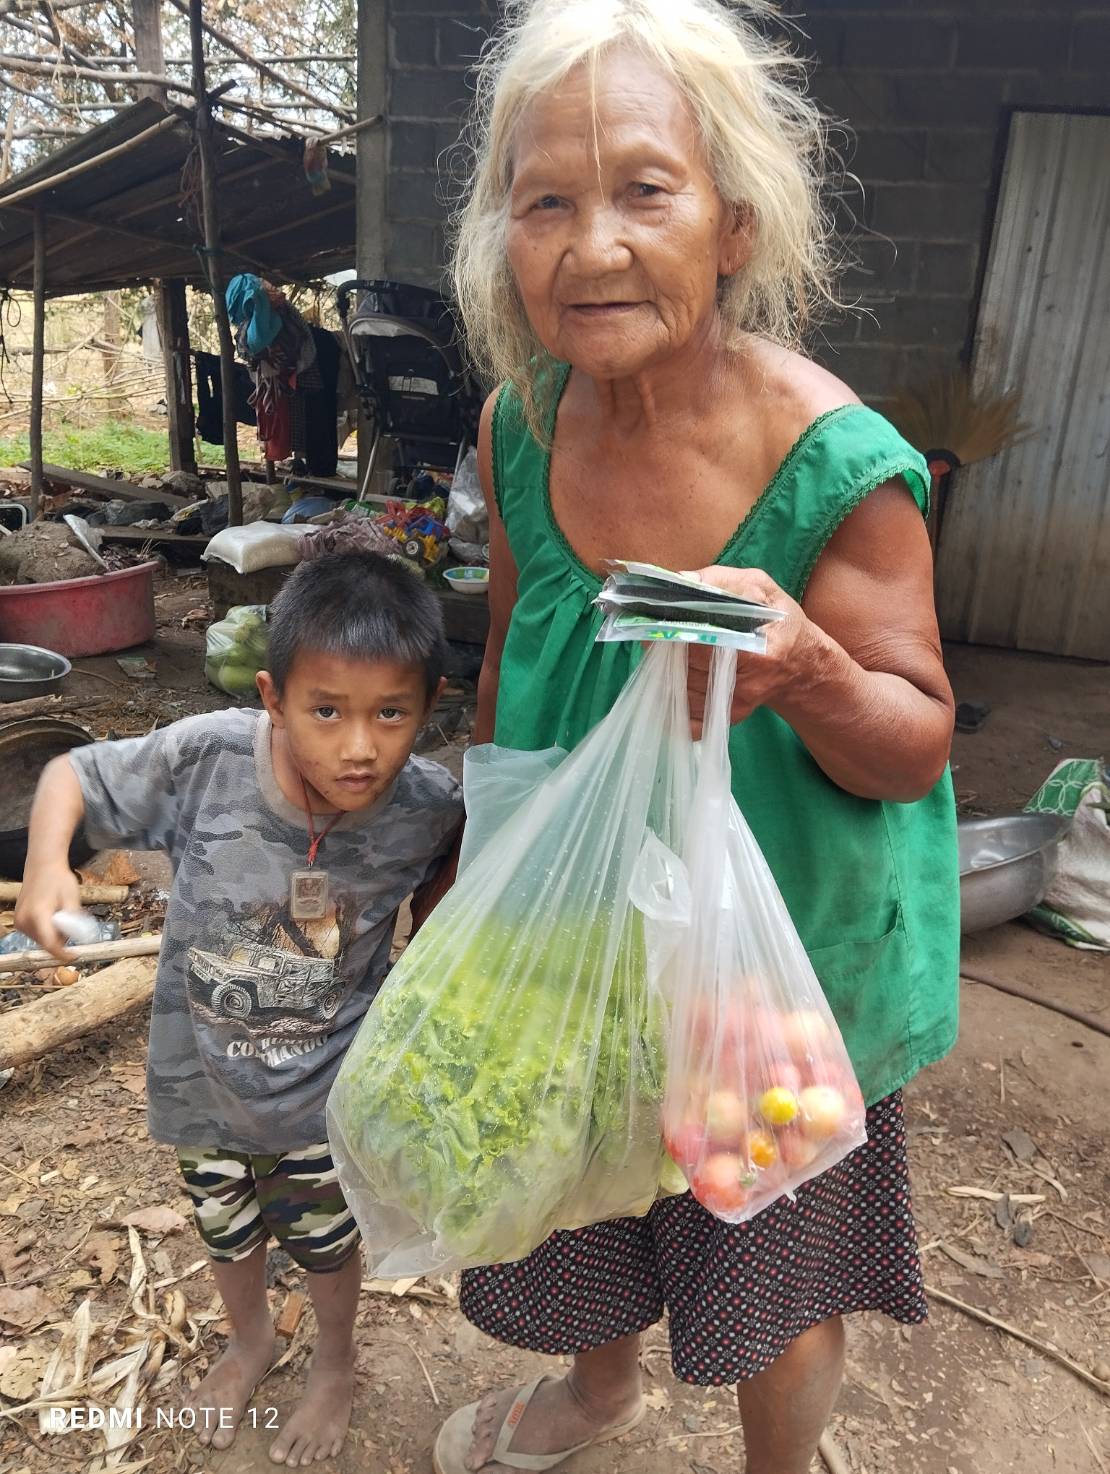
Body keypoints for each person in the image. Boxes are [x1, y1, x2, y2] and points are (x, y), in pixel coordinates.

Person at [432, 2, 959, 1472]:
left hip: (771, 961)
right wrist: (479, 871)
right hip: (579, 926)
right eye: (545, 200)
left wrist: (798, 665)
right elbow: (512, 648)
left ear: (731, 223)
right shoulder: (518, 425)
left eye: (641, 191)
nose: (590, 245)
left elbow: (912, 743)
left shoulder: (834, 460)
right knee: (577, 1191)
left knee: (767, 1264)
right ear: (502, 234)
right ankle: (598, 1391)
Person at [16, 551, 462, 1467]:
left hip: (324, 1097)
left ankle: (334, 1362)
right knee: (223, 1223)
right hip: (201, 1083)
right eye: (325, 710)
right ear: (273, 695)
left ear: (430, 703)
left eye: (392, 713)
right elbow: (70, 776)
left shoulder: (429, 808)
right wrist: (46, 865)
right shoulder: (205, 757)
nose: (358, 747)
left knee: (326, 1239)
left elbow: (473, 887)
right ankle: (251, 1337)